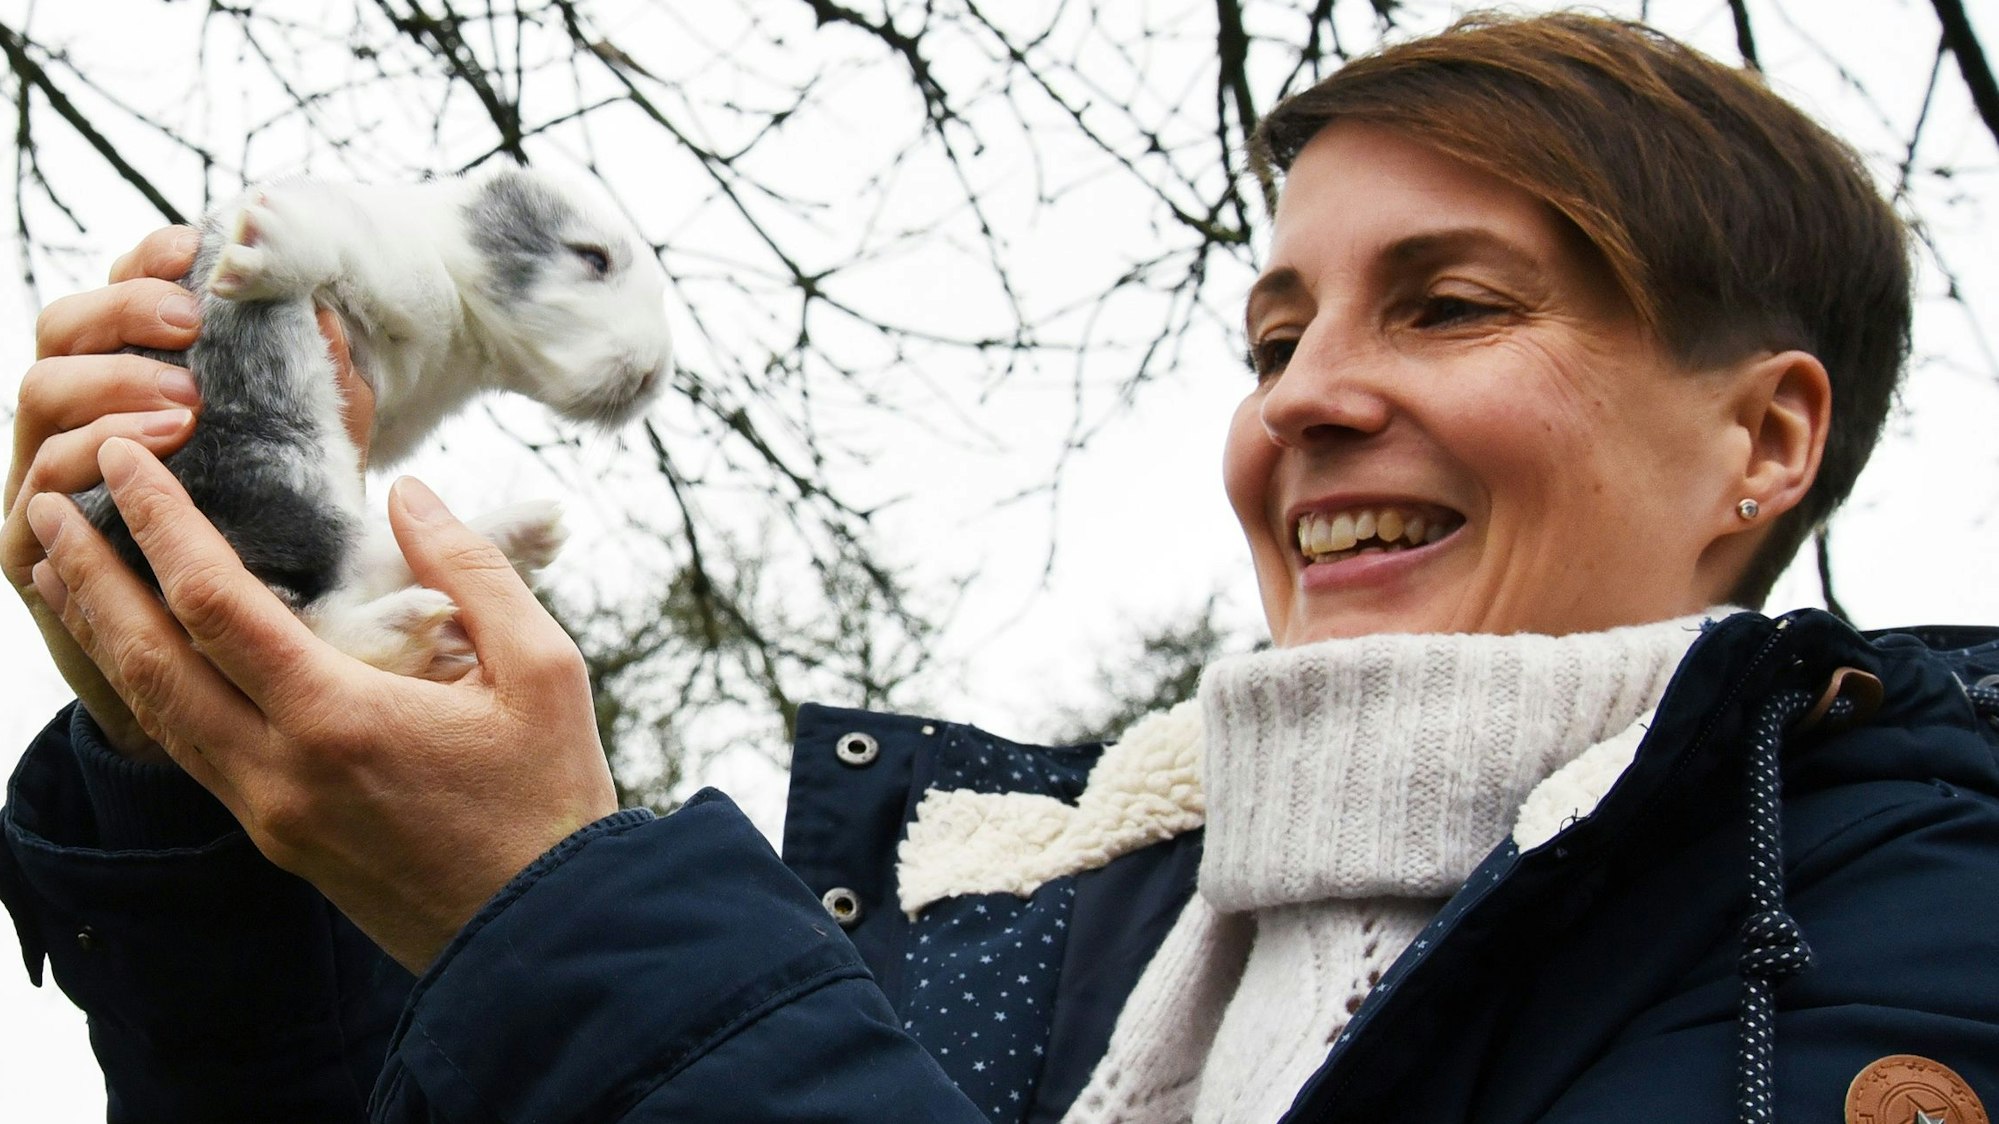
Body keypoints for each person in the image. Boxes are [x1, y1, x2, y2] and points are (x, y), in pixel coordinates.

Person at [4, 10, 1997, 1123]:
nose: (1307, 400)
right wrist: (215, 749)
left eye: (1452, 306)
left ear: (1764, 438)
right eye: (1274, 335)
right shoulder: (991, 910)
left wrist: (566, 913)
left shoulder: (1892, 928)